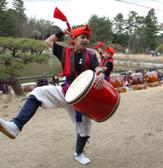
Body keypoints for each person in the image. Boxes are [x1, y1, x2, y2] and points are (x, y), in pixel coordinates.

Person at [0, 24, 105, 165]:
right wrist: (61, 32)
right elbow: (48, 42)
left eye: (87, 38)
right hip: (66, 90)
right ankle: (15, 126)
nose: (86, 40)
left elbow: (98, 69)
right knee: (38, 93)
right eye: (83, 37)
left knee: (84, 129)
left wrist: (101, 74)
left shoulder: (91, 55)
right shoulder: (65, 52)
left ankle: (79, 153)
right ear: (75, 38)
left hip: (82, 98)